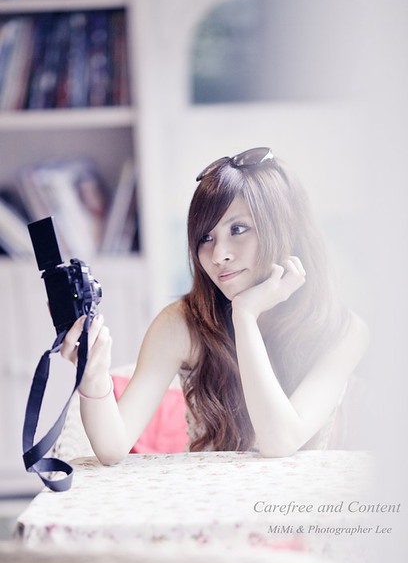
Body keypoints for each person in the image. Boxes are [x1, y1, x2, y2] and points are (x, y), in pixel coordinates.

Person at [61, 147, 369, 464]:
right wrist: (93, 376)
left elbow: (279, 441)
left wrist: (244, 316)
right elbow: (112, 448)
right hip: (210, 495)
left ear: (285, 230)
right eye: (206, 238)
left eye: (238, 229)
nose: (219, 255)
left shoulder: (342, 330)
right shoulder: (181, 324)